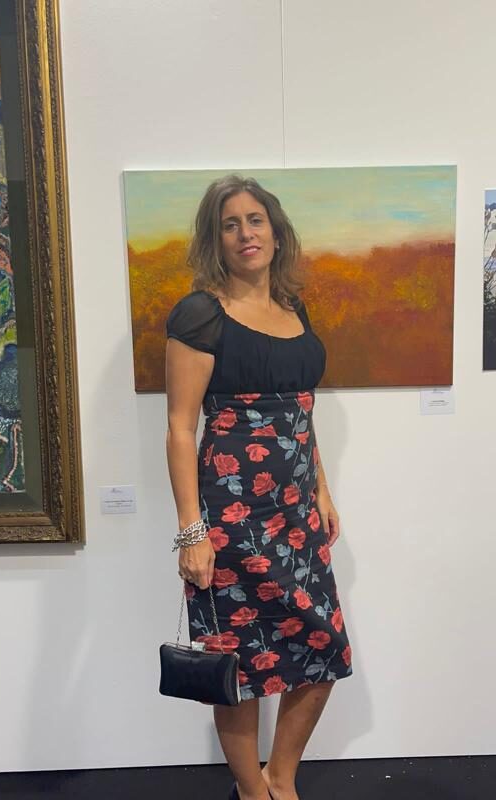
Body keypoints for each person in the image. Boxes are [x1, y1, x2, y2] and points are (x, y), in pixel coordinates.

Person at [164, 174, 353, 800]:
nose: (245, 233)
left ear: (275, 232)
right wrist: (192, 532)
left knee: (323, 650)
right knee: (238, 663)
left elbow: (302, 413)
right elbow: (180, 428)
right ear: (215, 239)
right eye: (230, 224)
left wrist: (321, 489)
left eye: (255, 220)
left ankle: (282, 780)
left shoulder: (295, 309)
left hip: (296, 515)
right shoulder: (200, 314)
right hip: (230, 520)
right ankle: (251, 791)